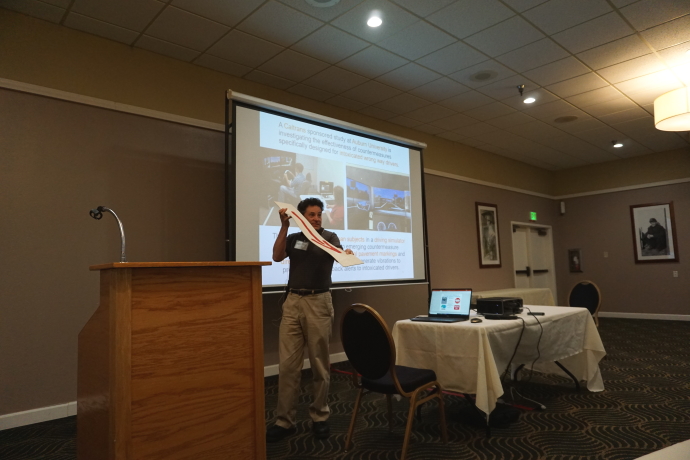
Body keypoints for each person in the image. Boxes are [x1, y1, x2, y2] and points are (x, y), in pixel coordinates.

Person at [267, 197, 354, 443]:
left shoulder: (329, 237)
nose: (316, 218)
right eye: (311, 215)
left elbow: (341, 258)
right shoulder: (294, 239)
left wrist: (346, 254)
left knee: (319, 363)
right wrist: (284, 226)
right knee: (287, 366)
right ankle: (284, 421)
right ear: (302, 217)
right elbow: (276, 256)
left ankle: (320, 416)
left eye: (319, 214)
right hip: (293, 302)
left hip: (319, 302)